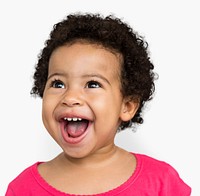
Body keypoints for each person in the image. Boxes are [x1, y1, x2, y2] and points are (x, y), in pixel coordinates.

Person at [6, 13, 191, 195]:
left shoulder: (161, 181)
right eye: (58, 83)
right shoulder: (22, 188)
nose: (70, 97)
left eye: (92, 84)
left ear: (127, 106)